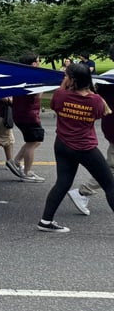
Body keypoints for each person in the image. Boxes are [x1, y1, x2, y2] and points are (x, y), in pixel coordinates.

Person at [37, 62, 114, 232]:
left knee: (62, 183)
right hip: (85, 147)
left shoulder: (59, 95)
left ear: (72, 80)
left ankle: (46, 220)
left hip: (62, 144)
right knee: (110, 185)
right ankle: (45, 221)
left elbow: (54, 106)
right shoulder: (95, 100)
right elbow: (105, 112)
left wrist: (65, 85)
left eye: (66, 76)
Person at [67, 82, 114, 215]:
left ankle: (83, 191)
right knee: (111, 168)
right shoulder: (109, 80)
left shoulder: (107, 80)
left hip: (110, 125)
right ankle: (83, 191)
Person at [10, 53, 46, 182]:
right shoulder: (33, 77)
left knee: (34, 141)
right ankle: (27, 173)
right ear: (33, 64)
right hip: (29, 114)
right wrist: (45, 84)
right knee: (32, 143)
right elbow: (38, 96)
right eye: (38, 60)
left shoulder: (19, 75)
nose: (40, 62)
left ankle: (16, 161)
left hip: (19, 112)